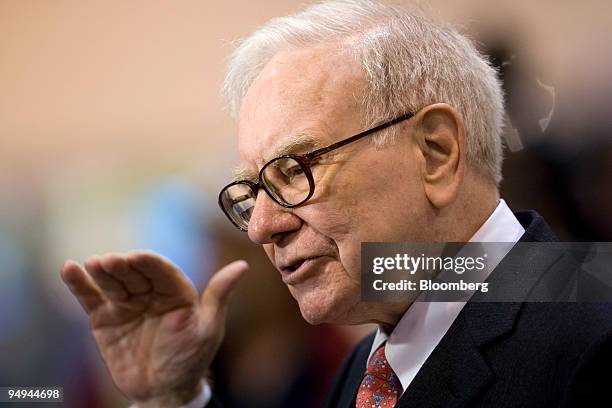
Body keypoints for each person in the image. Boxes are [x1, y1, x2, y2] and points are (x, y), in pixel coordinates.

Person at [60, 1, 612, 407]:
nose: (262, 228)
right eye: (253, 192)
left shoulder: (592, 341)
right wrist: (172, 398)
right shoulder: (367, 369)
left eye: (295, 170)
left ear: (436, 152)